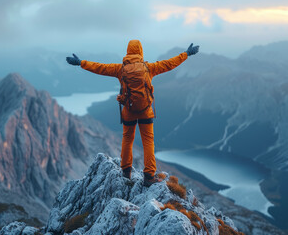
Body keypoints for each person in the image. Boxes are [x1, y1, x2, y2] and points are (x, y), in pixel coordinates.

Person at [66, 40, 199, 187]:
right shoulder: (150, 68)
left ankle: (126, 172)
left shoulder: (120, 69)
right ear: (140, 52)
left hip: (128, 111)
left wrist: (81, 63)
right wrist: (186, 54)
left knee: (127, 140)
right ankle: (149, 176)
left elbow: (100, 68)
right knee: (148, 142)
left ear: (128, 52)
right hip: (146, 111)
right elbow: (170, 63)